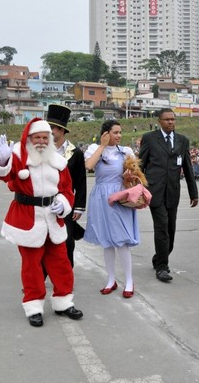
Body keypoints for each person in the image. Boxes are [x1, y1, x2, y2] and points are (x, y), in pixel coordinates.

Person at [0, 118, 83, 327]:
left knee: (62, 264)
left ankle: (63, 302)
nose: (41, 141)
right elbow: (1, 175)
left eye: (44, 137)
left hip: (52, 218)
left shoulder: (58, 162)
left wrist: (63, 203)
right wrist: (3, 160)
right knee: (31, 267)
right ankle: (34, 306)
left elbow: (67, 190)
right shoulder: (18, 158)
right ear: (29, 139)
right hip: (27, 219)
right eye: (37, 137)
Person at [139, 108, 198, 282]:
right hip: (154, 192)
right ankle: (162, 267)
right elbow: (140, 164)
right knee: (162, 226)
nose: (171, 122)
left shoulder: (182, 141)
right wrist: (137, 188)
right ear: (159, 121)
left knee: (171, 230)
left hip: (173, 192)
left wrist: (193, 193)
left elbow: (187, 168)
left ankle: (159, 257)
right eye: (167, 120)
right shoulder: (150, 139)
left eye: (173, 119)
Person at [84, 120, 139, 298]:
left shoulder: (126, 152)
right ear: (106, 134)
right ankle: (111, 279)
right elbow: (89, 166)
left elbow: (136, 175)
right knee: (107, 242)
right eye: (115, 132)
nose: (119, 136)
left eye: (120, 132)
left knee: (122, 240)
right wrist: (102, 145)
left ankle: (129, 280)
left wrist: (130, 176)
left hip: (120, 197)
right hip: (100, 197)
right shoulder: (94, 149)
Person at [47, 104, 87, 267]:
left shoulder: (75, 153)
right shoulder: (41, 150)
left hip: (67, 203)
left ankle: (66, 275)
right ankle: (40, 277)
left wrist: (79, 206)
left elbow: (81, 181)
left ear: (61, 130)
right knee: (43, 240)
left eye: (52, 128)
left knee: (67, 241)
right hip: (44, 202)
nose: (48, 132)